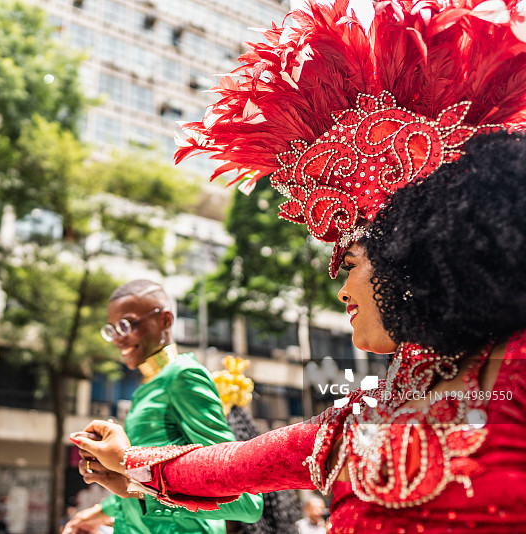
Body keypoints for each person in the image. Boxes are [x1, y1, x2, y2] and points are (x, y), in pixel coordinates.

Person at [67, 0, 526, 531]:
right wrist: (127, 462)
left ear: (412, 255)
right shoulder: (357, 418)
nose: (342, 291)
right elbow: (231, 466)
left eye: (349, 262)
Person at [62, 280, 264, 534]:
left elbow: (246, 500)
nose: (118, 339)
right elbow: (142, 482)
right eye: (112, 329)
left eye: (127, 325)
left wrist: (133, 485)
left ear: (165, 320)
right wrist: (100, 512)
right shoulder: (146, 389)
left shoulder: (183, 376)